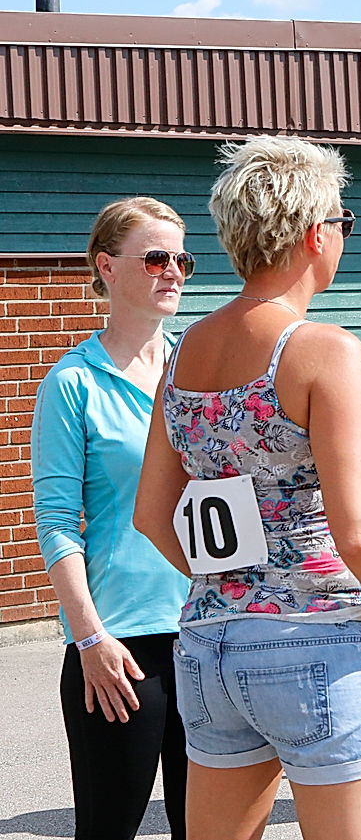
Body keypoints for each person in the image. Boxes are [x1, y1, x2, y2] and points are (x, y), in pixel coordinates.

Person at [132, 136, 361, 840]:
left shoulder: (182, 355)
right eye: (342, 221)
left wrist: (238, 580)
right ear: (312, 235)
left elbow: (152, 515)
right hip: (318, 640)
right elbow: (355, 529)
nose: (342, 235)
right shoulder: (323, 349)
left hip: (211, 643)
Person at [33, 198, 193, 840]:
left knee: (208, 828)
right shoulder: (74, 382)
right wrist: (89, 639)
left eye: (182, 258)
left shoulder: (196, 369)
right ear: (107, 266)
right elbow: (55, 522)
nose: (174, 271)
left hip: (210, 631)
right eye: (156, 257)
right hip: (121, 647)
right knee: (109, 828)